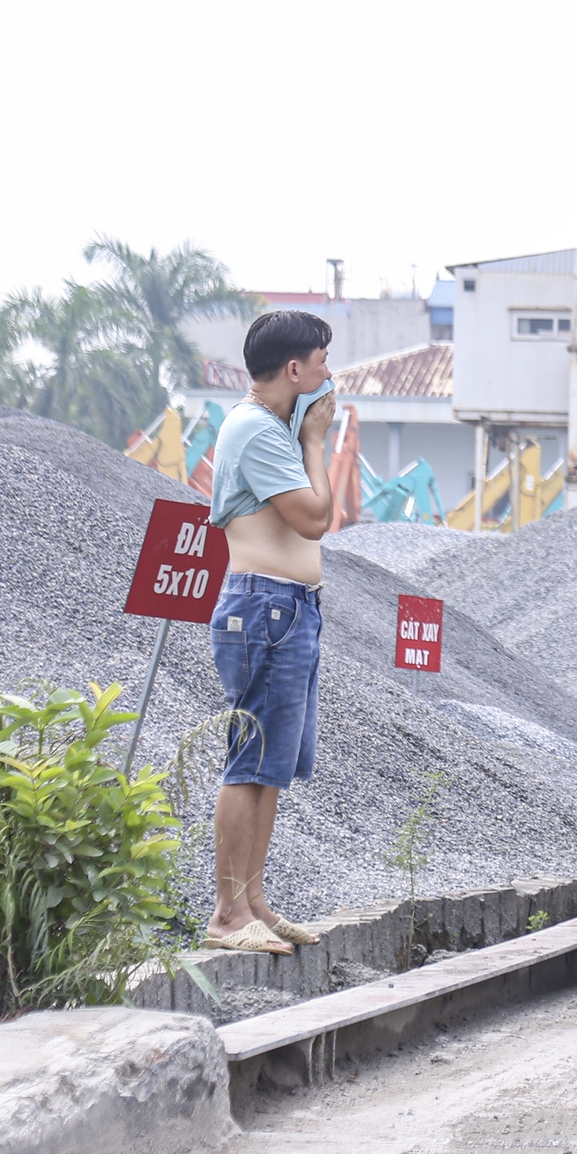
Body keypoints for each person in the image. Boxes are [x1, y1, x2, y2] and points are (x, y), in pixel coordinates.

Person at [201, 309, 338, 954]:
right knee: (248, 760)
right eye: (320, 361)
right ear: (294, 369)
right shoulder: (256, 430)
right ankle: (228, 912)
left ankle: (253, 900)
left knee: (270, 767)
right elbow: (314, 517)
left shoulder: (269, 427)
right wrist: (317, 441)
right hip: (264, 607)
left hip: (288, 606)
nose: (327, 374)